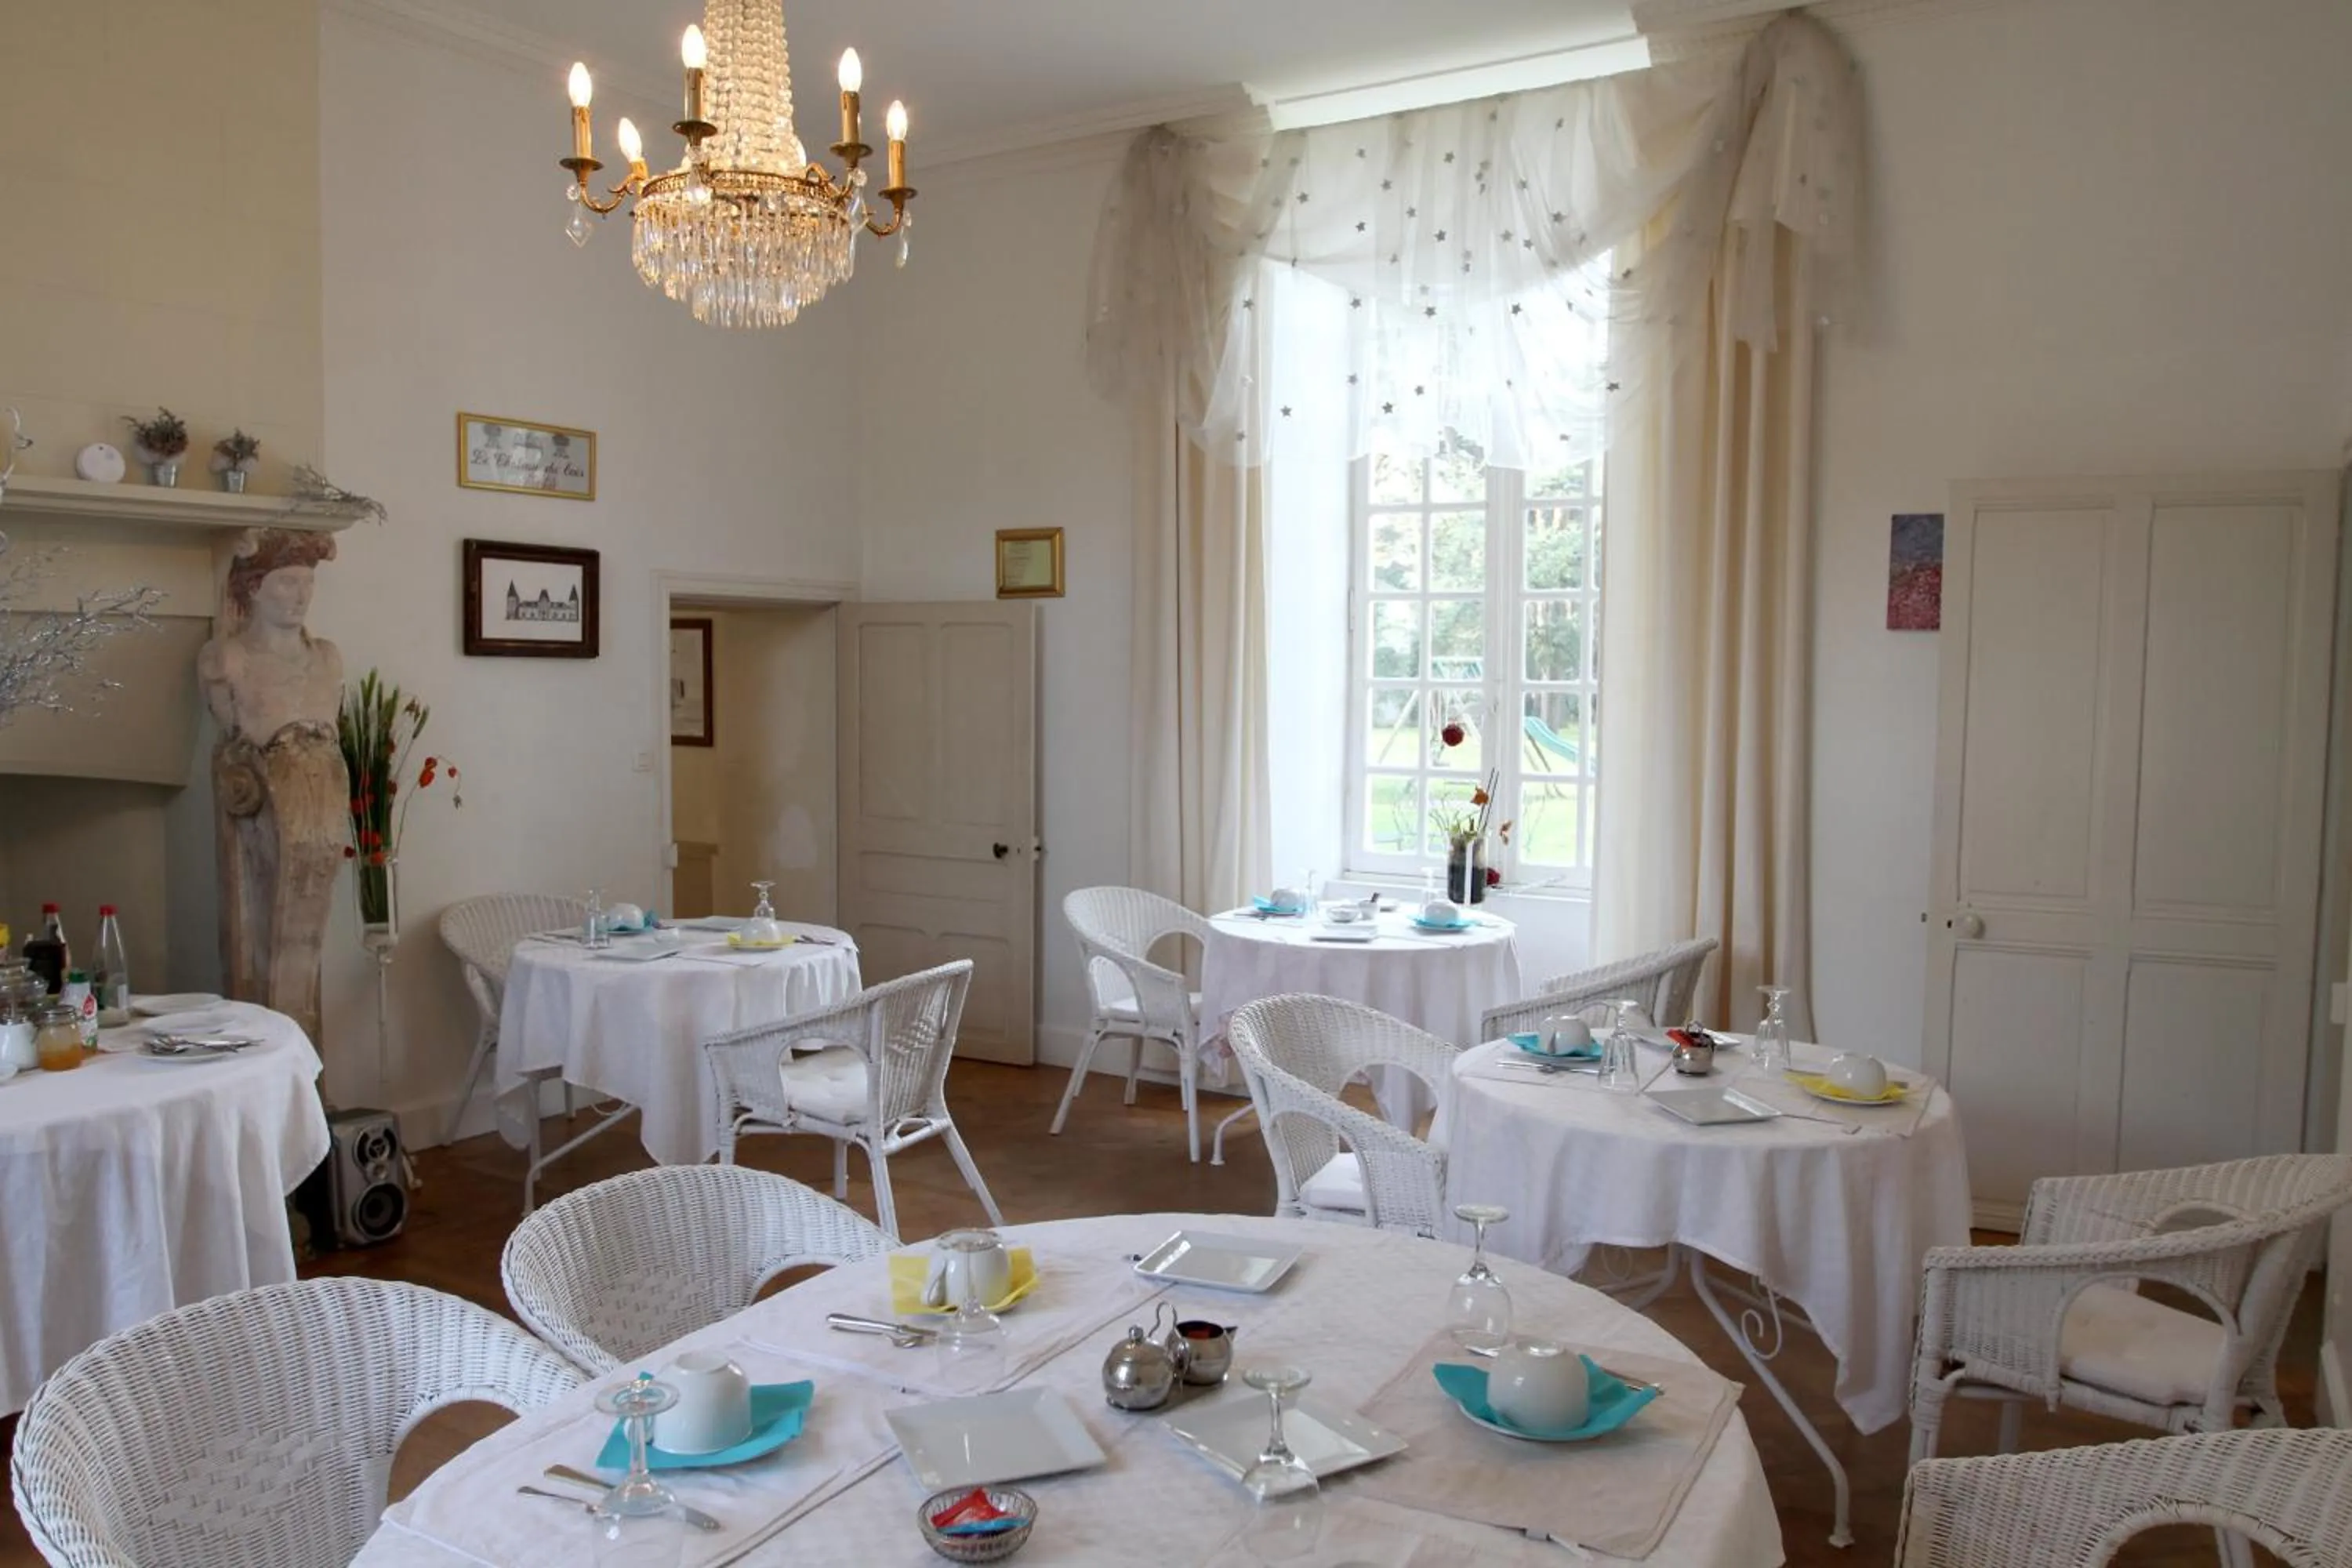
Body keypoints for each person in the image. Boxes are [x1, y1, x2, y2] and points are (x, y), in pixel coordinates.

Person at [197, 529, 348, 1046]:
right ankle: (272, 1060)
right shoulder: (226, 661)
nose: (301, 596)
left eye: (307, 583)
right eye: (286, 583)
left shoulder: (328, 658)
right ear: (253, 589)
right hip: (265, 820)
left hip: (322, 814)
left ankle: (304, 1071)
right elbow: (232, 751)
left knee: (306, 939)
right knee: (264, 941)